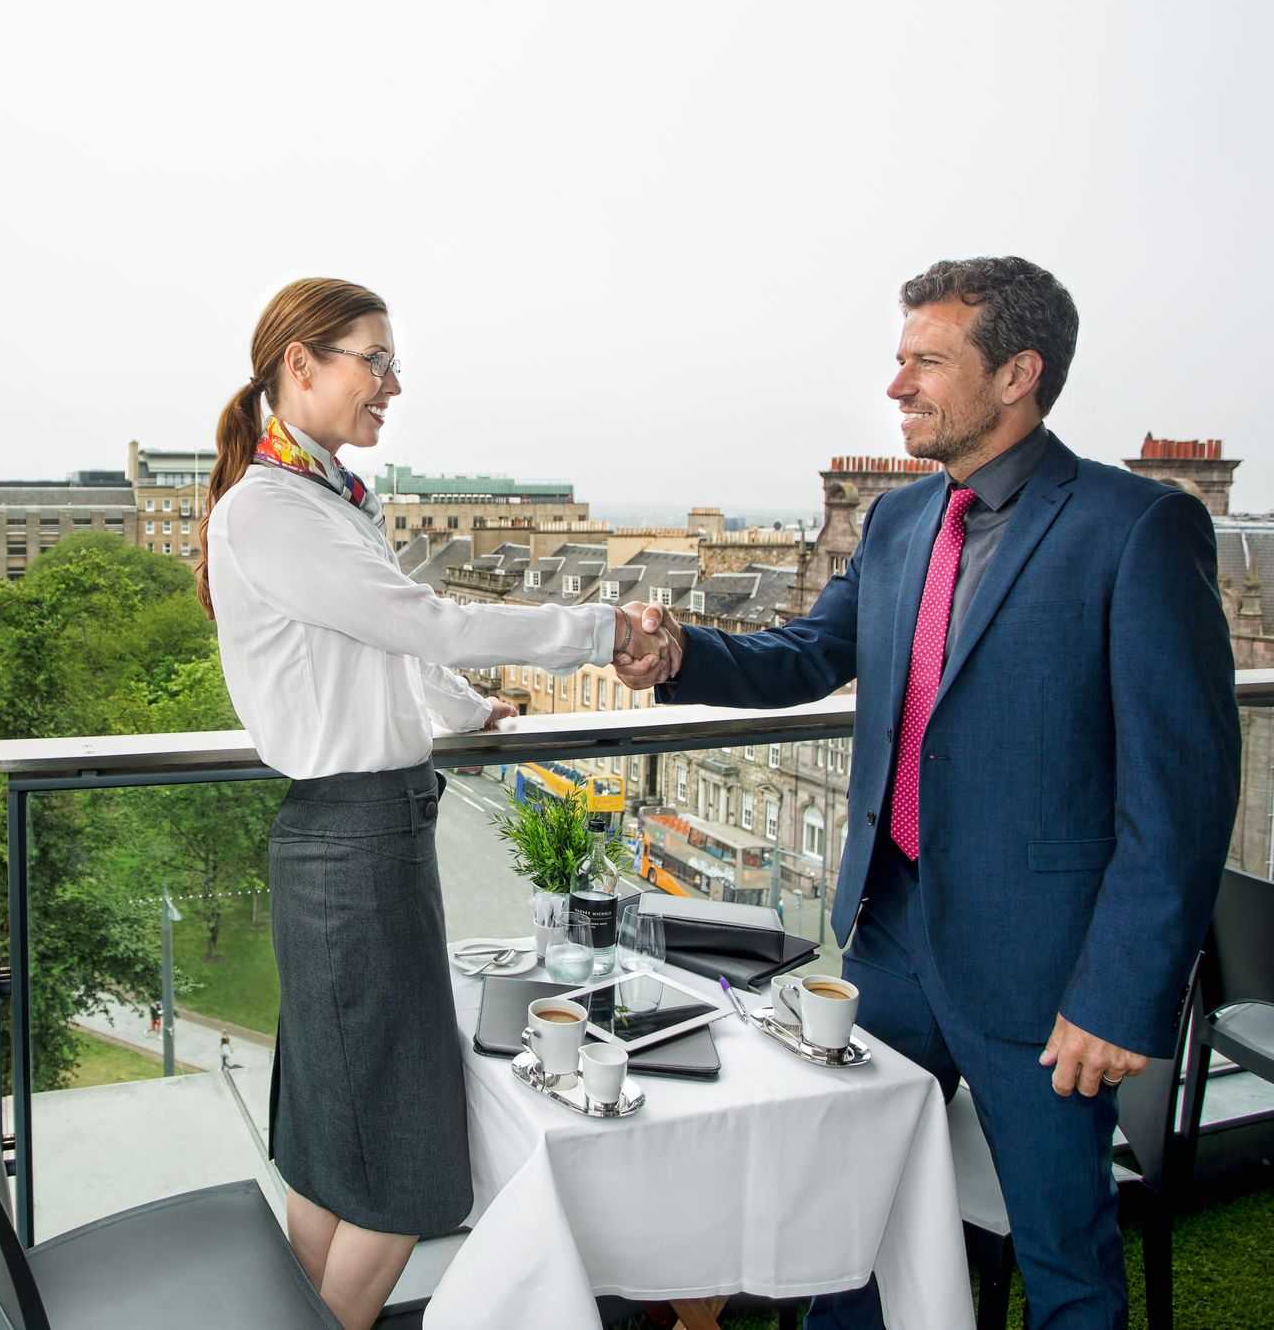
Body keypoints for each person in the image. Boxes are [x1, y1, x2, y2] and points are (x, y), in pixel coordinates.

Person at [617, 256, 1239, 1327]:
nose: (896, 386)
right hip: (888, 939)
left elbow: (1178, 794)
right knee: (842, 1226)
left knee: (1064, 1259)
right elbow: (804, 656)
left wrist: (1114, 996)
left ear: (1015, 376)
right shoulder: (900, 523)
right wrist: (679, 655)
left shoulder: (1134, 527)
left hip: (1045, 976)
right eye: (898, 360)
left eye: (924, 361)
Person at [202, 278, 670, 1330]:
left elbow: (392, 656)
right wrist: (600, 630)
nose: (392, 385)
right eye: (373, 360)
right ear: (300, 366)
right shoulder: (272, 510)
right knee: (404, 1171)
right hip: (351, 847)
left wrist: (468, 711)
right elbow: (427, 623)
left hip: (364, 839)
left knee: (338, 1158)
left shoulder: (317, 499)